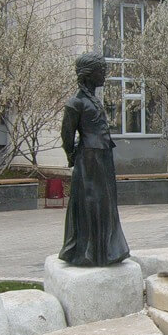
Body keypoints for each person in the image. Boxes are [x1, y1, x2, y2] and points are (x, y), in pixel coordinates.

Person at [58, 52, 130, 267]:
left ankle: (107, 250)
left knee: (105, 204)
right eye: (101, 71)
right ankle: (87, 252)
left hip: (103, 157)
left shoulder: (93, 101)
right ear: (89, 74)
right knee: (92, 203)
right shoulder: (76, 103)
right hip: (89, 160)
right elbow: (67, 135)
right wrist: (72, 156)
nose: (104, 75)